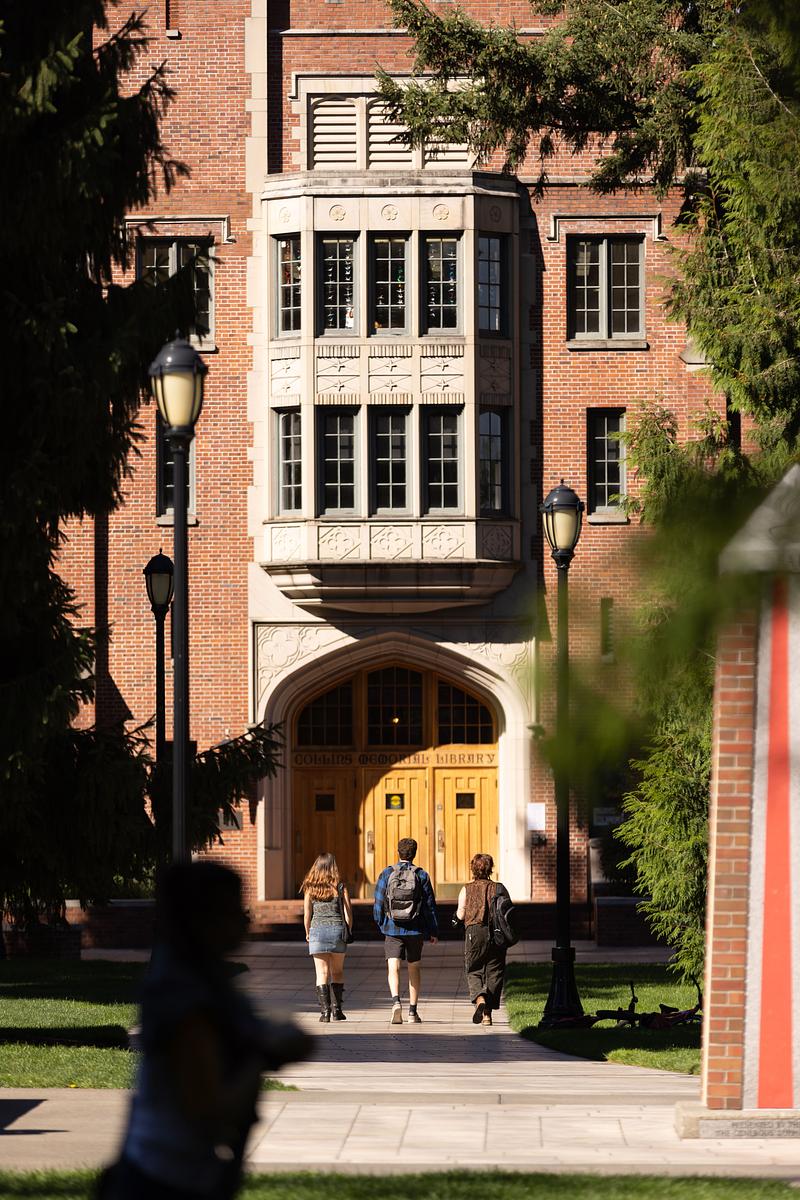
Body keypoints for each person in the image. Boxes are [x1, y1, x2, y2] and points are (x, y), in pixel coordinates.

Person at [100, 862, 312, 1200]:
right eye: (231, 910)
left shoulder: (208, 983)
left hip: (189, 1173)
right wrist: (262, 1056)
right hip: (162, 1181)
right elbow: (209, 1109)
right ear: (200, 920)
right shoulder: (183, 999)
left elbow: (272, 1036)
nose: (244, 920)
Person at [373, 837, 438, 1025]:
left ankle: (395, 1002)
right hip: (415, 929)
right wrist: (433, 929)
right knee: (414, 967)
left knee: (393, 966)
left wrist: (381, 922)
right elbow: (429, 905)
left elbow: (378, 901)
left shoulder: (386, 873)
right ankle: (412, 1012)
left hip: (392, 928)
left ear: (398, 852)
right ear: (414, 853)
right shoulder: (421, 875)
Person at [455, 852, 509, 1027]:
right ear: (490, 868)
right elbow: (508, 911)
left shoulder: (466, 888)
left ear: (473, 869)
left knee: (474, 969)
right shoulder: (499, 887)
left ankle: (480, 1000)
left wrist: (455, 919)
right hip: (496, 933)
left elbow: (461, 914)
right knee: (494, 972)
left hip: (474, 932)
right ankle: (487, 1015)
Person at [301, 852, 352, 1022]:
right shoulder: (340, 886)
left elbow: (307, 915)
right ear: (333, 867)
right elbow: (348, 914)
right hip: (337, 930)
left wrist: (308, 932)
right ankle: (337, 1011)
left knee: (321, 973)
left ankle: (325, 1013)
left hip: (317, 931)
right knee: (337, 972)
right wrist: (348, 931)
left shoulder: (310, 887)